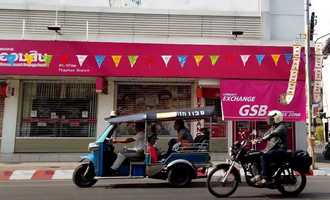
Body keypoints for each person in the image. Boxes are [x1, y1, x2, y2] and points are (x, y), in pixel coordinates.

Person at [252, 110, 288, 186]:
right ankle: (258, 175)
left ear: (277, 118)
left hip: (280, 150)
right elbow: (265, 134)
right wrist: (256, 139)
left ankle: (266, 178)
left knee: (264, 156)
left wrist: (263, 139)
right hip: (272, 149)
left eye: (271, 119)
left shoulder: (282, 127)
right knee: (255, 155)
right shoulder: (273, 127)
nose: (269, 120)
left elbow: (272, 134)